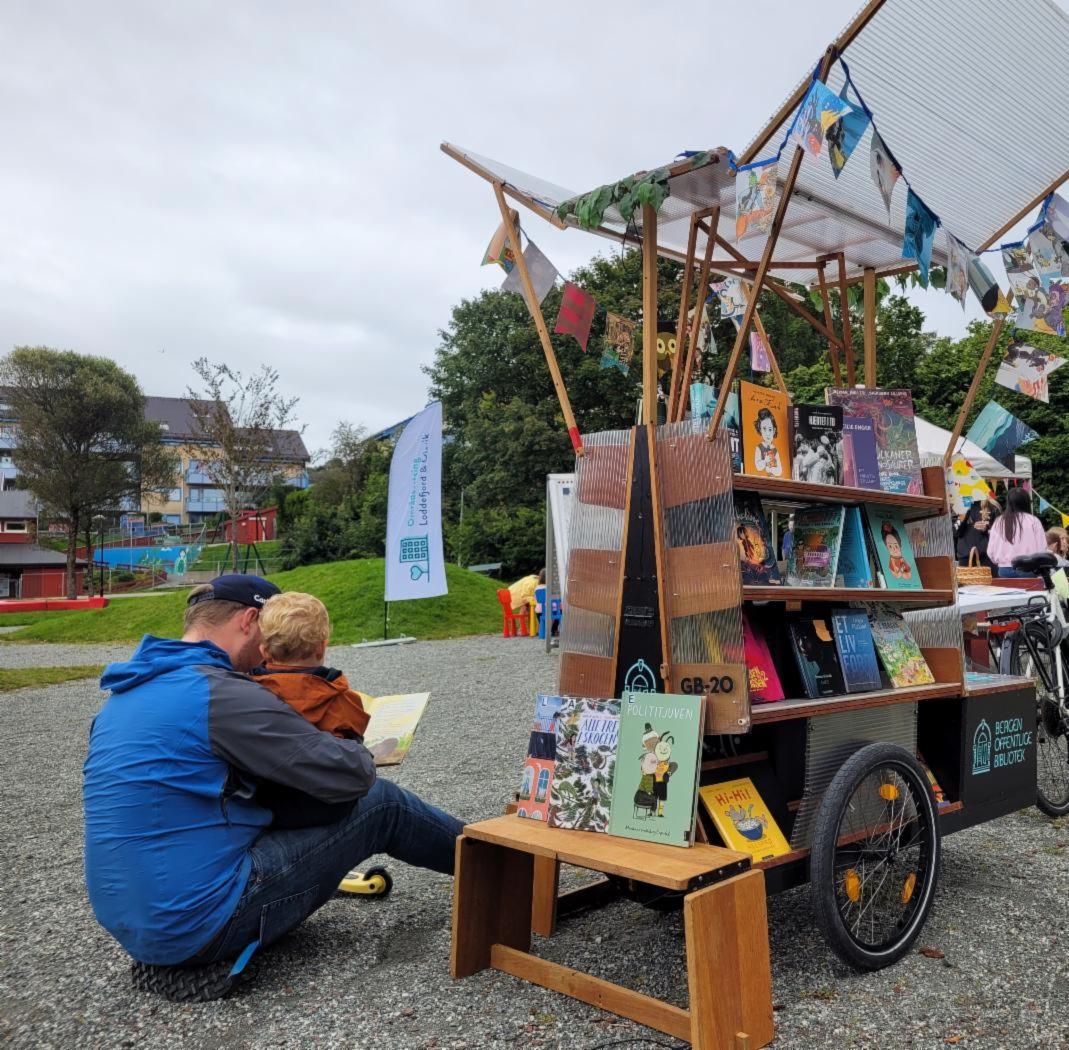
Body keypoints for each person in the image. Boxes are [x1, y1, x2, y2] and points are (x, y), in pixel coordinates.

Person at [83, 575, 464, 1001]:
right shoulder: (220, 693)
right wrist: (356, 746)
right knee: (382, 804)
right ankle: (499, 863)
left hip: (134, 922)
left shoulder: (132, 689)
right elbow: (351, 775)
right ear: (250, 620)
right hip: (199, 924)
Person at [985, 487, 1048, 577]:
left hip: (1004, 570)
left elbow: (991, 550)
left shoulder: (999, 521)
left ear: (1009, 503)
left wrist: (1000, 561)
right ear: (1026, 502)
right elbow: (1042, 548)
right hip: (1029, 569)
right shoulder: (1033, 521)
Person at [954, 492, 1001, 568]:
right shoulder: (959, 506)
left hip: (986, 557)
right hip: (965, 558)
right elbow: (955, 531)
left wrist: (986, 529)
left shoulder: (992, 507)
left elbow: (999, 533)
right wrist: (962, 516)